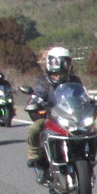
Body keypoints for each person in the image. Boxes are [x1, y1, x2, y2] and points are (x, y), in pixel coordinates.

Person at [25, 46, 78, 182]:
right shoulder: (44, 82)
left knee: (92, 129)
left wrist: (92, 103)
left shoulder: (75, 81)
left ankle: (86, 158)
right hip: (50, 117)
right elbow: (36, 94)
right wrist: (35, 102)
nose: (58, 75)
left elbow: (82, 95)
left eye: (62, 72)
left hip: (71, 118)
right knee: (35, 128)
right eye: (55, 73)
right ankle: (35, 156)